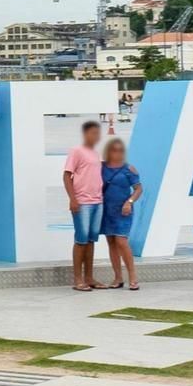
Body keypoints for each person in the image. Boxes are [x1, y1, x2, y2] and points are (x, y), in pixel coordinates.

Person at [65, 119, 105, 292]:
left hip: (97, 202)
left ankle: (89, 277)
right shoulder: (76, 151)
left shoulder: (96, 154)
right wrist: (73, 199)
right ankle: (78, 279)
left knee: (91, 240)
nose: (96, 136)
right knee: (81, 240)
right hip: (82, 203)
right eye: (93, 133)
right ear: (85, 134)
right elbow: (67, 176)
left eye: (98, 133)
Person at [99, 137, 143, 291]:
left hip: (123, 210)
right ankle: (118, 277)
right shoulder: (101, 167)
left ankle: (133, 276)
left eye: (120, 150)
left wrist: (129, 202)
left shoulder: (128, 169)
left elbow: (138, 189)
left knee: (121, 242)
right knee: (111, 242)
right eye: (113, 150)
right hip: (106, 210)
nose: (116, 153)